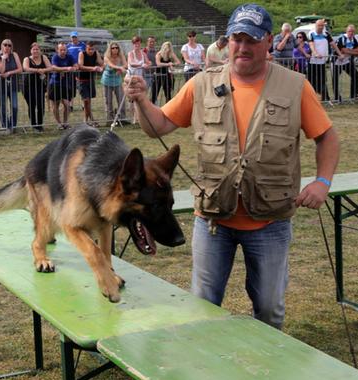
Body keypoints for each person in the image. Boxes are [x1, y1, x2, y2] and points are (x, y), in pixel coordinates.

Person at [124, 3, 340, 330]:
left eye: (251, 39)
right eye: (236, 38)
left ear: (268, 41)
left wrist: (322, 181)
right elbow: (158, 126)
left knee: (269, 310)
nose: (242, 47)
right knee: (202, 308)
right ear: (227, 41)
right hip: (213, 221)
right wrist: (141, 101)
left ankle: (264, 373)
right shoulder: (201, 84)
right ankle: (207, 376)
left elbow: (327, 138)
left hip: (270, 222)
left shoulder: (295, 86)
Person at [22, 42, 51, 132]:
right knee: (32, 105)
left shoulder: (44, 58)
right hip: (28, 86)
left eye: (37, 49)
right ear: (31, 50)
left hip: (40, 86)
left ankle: (40, 124)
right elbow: (26, 68)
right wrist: (38, 70)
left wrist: (44, 70)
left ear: (40, 50)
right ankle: (34, 125)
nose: (35, 51)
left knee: (40, 105)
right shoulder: (27, 59)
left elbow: (50, 67)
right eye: (34, 49)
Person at [309, 19, 340, 101]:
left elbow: (333, 44)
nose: (320, 27)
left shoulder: (326, 34)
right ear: (315, 25)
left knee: (322, 80)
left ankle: (325, 98)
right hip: (313, 62)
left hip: (322, 62)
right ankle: (314, 98)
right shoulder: (311, 34)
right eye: (319, 25)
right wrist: (315, 53)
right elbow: (311, 45)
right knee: (313, 81)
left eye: (322, 25)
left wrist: (339, 54)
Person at [0, 39, 22, 132]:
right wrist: (3, 59)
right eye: (5, 45)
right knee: (3, 106)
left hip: (13, 85)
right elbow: (1, 71)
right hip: (2, 86)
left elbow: (20, 69)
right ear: (1, 46)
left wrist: (10, 72)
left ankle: (13, 125)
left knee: (14, 106)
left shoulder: (15, 55)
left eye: (9, 45)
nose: (7, 47)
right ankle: (6, 126)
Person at [49, 42, 77, 130]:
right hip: (55, 83)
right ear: (57, 50)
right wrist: (66, 69)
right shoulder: (55, 57)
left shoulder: (70, 57)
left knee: (67, 105)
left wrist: (74, 68)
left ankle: (65, 123)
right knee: (55, 105)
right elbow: (53, 67)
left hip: (65, 84)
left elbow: (76, 65)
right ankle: (59, 123)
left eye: (64, 49)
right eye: (61, 50)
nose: (63, 51)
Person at [77, 41, 103, 126]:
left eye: (92, 49)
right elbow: (80, 66)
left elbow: (102, 63)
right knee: (86, 100)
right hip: (82, 80)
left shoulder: (96, 53)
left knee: (88, 101)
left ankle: (87, 121)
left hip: (90, 79)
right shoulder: (82, 54)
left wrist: (101, 68)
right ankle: (90, 120)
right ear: (86, 48)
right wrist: (93, 68)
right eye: (89, 49)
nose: (91, 51)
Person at [333, 25, 358, 101]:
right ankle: (336, 97)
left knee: (355, 75)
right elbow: (343, 50)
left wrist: (350, 51)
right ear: (346, 31)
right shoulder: (342, 38)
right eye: (349, 31)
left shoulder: (353, 39)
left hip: (347, 61)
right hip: (337, 61)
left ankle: (354, 94)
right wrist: (353, 52)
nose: (351, 33)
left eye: (352, 31)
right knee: (335, 79)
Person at [101, 41, 127, 125]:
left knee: (121, 99)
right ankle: (109, 120)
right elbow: (111, 65)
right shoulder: (106, 57)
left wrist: (121, 69)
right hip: (107, 81)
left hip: (117, 81)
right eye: (113, 48)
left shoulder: (121, 55)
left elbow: (126, 65)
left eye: (116, 48)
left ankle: (122, 118)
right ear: (110, 49)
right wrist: (119, 68)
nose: (115, 49)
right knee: (108, 101)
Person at [67, 31, 85, 111]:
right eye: (72, 37)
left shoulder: (83, 45)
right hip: (71, 70)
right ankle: (71, 105)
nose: (74, 39)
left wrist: (80, 65)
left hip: (80, 70)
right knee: (71, 87)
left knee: (81, 87)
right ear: (70, 38)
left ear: (78, 37)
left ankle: (84, 105)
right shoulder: (68, 46)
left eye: (75, 37)